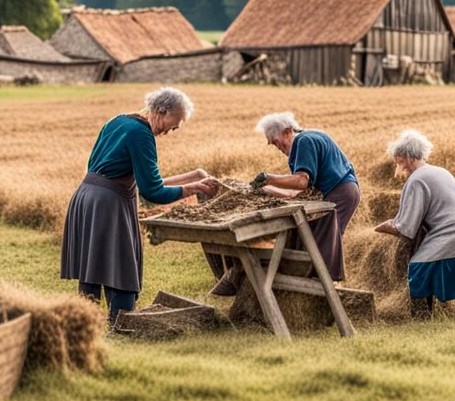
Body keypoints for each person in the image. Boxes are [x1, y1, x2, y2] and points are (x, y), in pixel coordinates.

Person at [61, 87, 217, 325]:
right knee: (121, 266)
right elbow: (153, 192)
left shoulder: (118, 121)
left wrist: (193, 180)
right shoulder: (142, 134)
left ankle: (85, 325)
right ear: (162, 111)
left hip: (86, 198)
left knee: (92, 269)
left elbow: (142, 181)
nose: (171, 131)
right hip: (108, 204)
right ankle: (121, 324)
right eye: (173, 124)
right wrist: (195, 189)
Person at [374, 130, 455, 320]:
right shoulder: (439, 170)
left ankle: (422, 318)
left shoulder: (416, 180)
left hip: (452, 229)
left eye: (398, 157)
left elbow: (407, 226)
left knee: (418, 268)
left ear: (408, 157)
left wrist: (384, 227)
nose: (397, 162)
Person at [253, 112, 360, 283]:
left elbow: (301, 181)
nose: (276, 146)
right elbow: (301, 192)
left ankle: (322, 286)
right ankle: (320, 284)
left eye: (275, 141)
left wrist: (269, 178)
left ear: (288, 132)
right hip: (341, 192)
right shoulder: (304, 141)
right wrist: (269, 189)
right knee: (318, 239)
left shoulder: (304, 142)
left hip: (339, 193)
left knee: (320, 242)